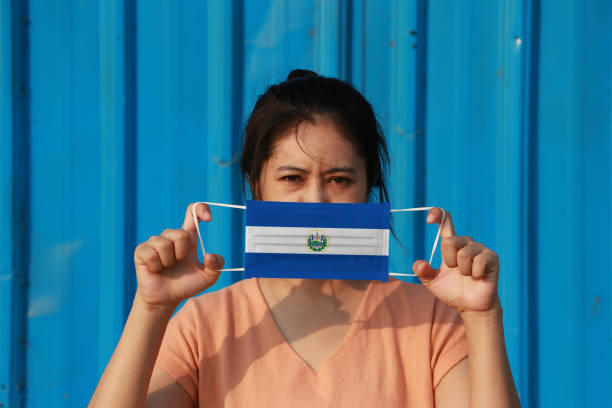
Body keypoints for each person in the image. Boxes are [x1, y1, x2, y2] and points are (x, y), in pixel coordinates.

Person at [90, 70, 521, 407]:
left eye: (339, 179)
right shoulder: (206, 326)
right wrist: (151, 308)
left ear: (368, 187)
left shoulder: (431, 323)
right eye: (292, 178)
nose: (315, 200)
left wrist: (482, 318)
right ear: (256, 185)